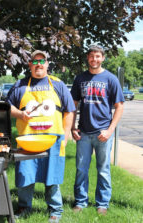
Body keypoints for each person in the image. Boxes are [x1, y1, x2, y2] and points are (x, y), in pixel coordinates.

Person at [7, 50, 75, 222]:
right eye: (35, 61)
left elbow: (70, 111)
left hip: (53, 139)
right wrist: (21, 115)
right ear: (30, 64)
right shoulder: (20, 85)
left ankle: (55, 210)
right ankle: (24, 207)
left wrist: (65, 137)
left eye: (42, 61)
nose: (38, 64)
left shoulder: (58, 84)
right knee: (25, 175)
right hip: (28, 139)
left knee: (52, 176)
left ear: (47, 64)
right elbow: (7, 107)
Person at [70, 45, 124, 215]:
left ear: (103, 58)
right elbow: (73, 105)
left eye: (98, 56)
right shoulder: (80, 79)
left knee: (103, 170)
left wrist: (110, 131)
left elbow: (119, 106)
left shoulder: (111, 79)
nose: (95, 59)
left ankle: (102, 203)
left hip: (103, 133)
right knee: (81, 169)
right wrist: (72, 127)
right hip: (84, 132)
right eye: (92, 56)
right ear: (88, 58)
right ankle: (80, 201)